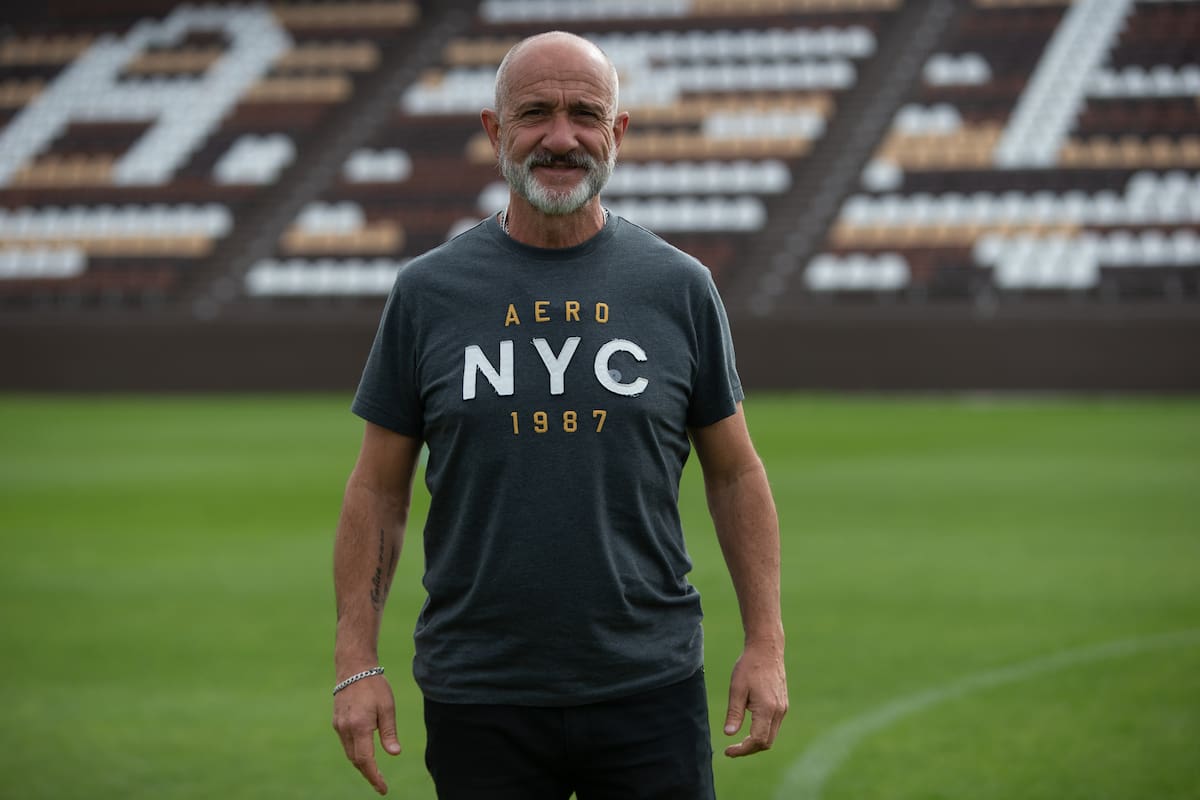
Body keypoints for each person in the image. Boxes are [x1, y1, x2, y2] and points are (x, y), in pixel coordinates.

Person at [332, 30, 787, 799]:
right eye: (535, 113)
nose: (560, 137)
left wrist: (766, 644)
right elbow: (377, 489)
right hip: (480, 691)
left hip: (649, 685)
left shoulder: (678, 287)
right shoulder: (427, 294)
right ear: (493, 131)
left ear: (618, 133)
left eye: (585, 114)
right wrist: (356, 662)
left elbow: (736, 472)